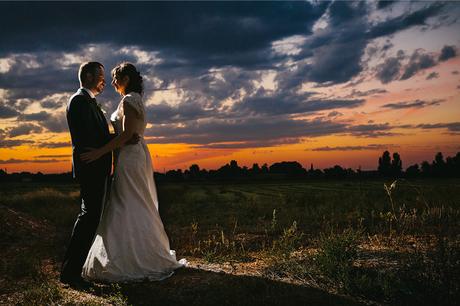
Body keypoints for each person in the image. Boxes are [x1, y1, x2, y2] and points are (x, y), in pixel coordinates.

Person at [80, 62, 186, 282]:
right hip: (131, 155)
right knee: (134, 200)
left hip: (130, 157)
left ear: (125, 79)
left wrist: (99, 152)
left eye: (115, 78)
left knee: (126, 202)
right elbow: (130, 134)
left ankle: (133, 258)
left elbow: (127, 135)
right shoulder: (134, 99)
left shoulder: (129, 100)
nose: (112, 83)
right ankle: (133, 252)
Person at [61, 61, 138, 287]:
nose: (104, 81)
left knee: (91, 217)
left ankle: (73, 271)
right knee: (88, 217)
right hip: (90, 167)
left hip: (98, 167)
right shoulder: (78, 101)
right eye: (101, 76)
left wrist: (122, 139)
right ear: (88, 76)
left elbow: (97, 136)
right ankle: (71, 273)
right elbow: (88, 139)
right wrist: (120, 140)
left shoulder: (89, 102)